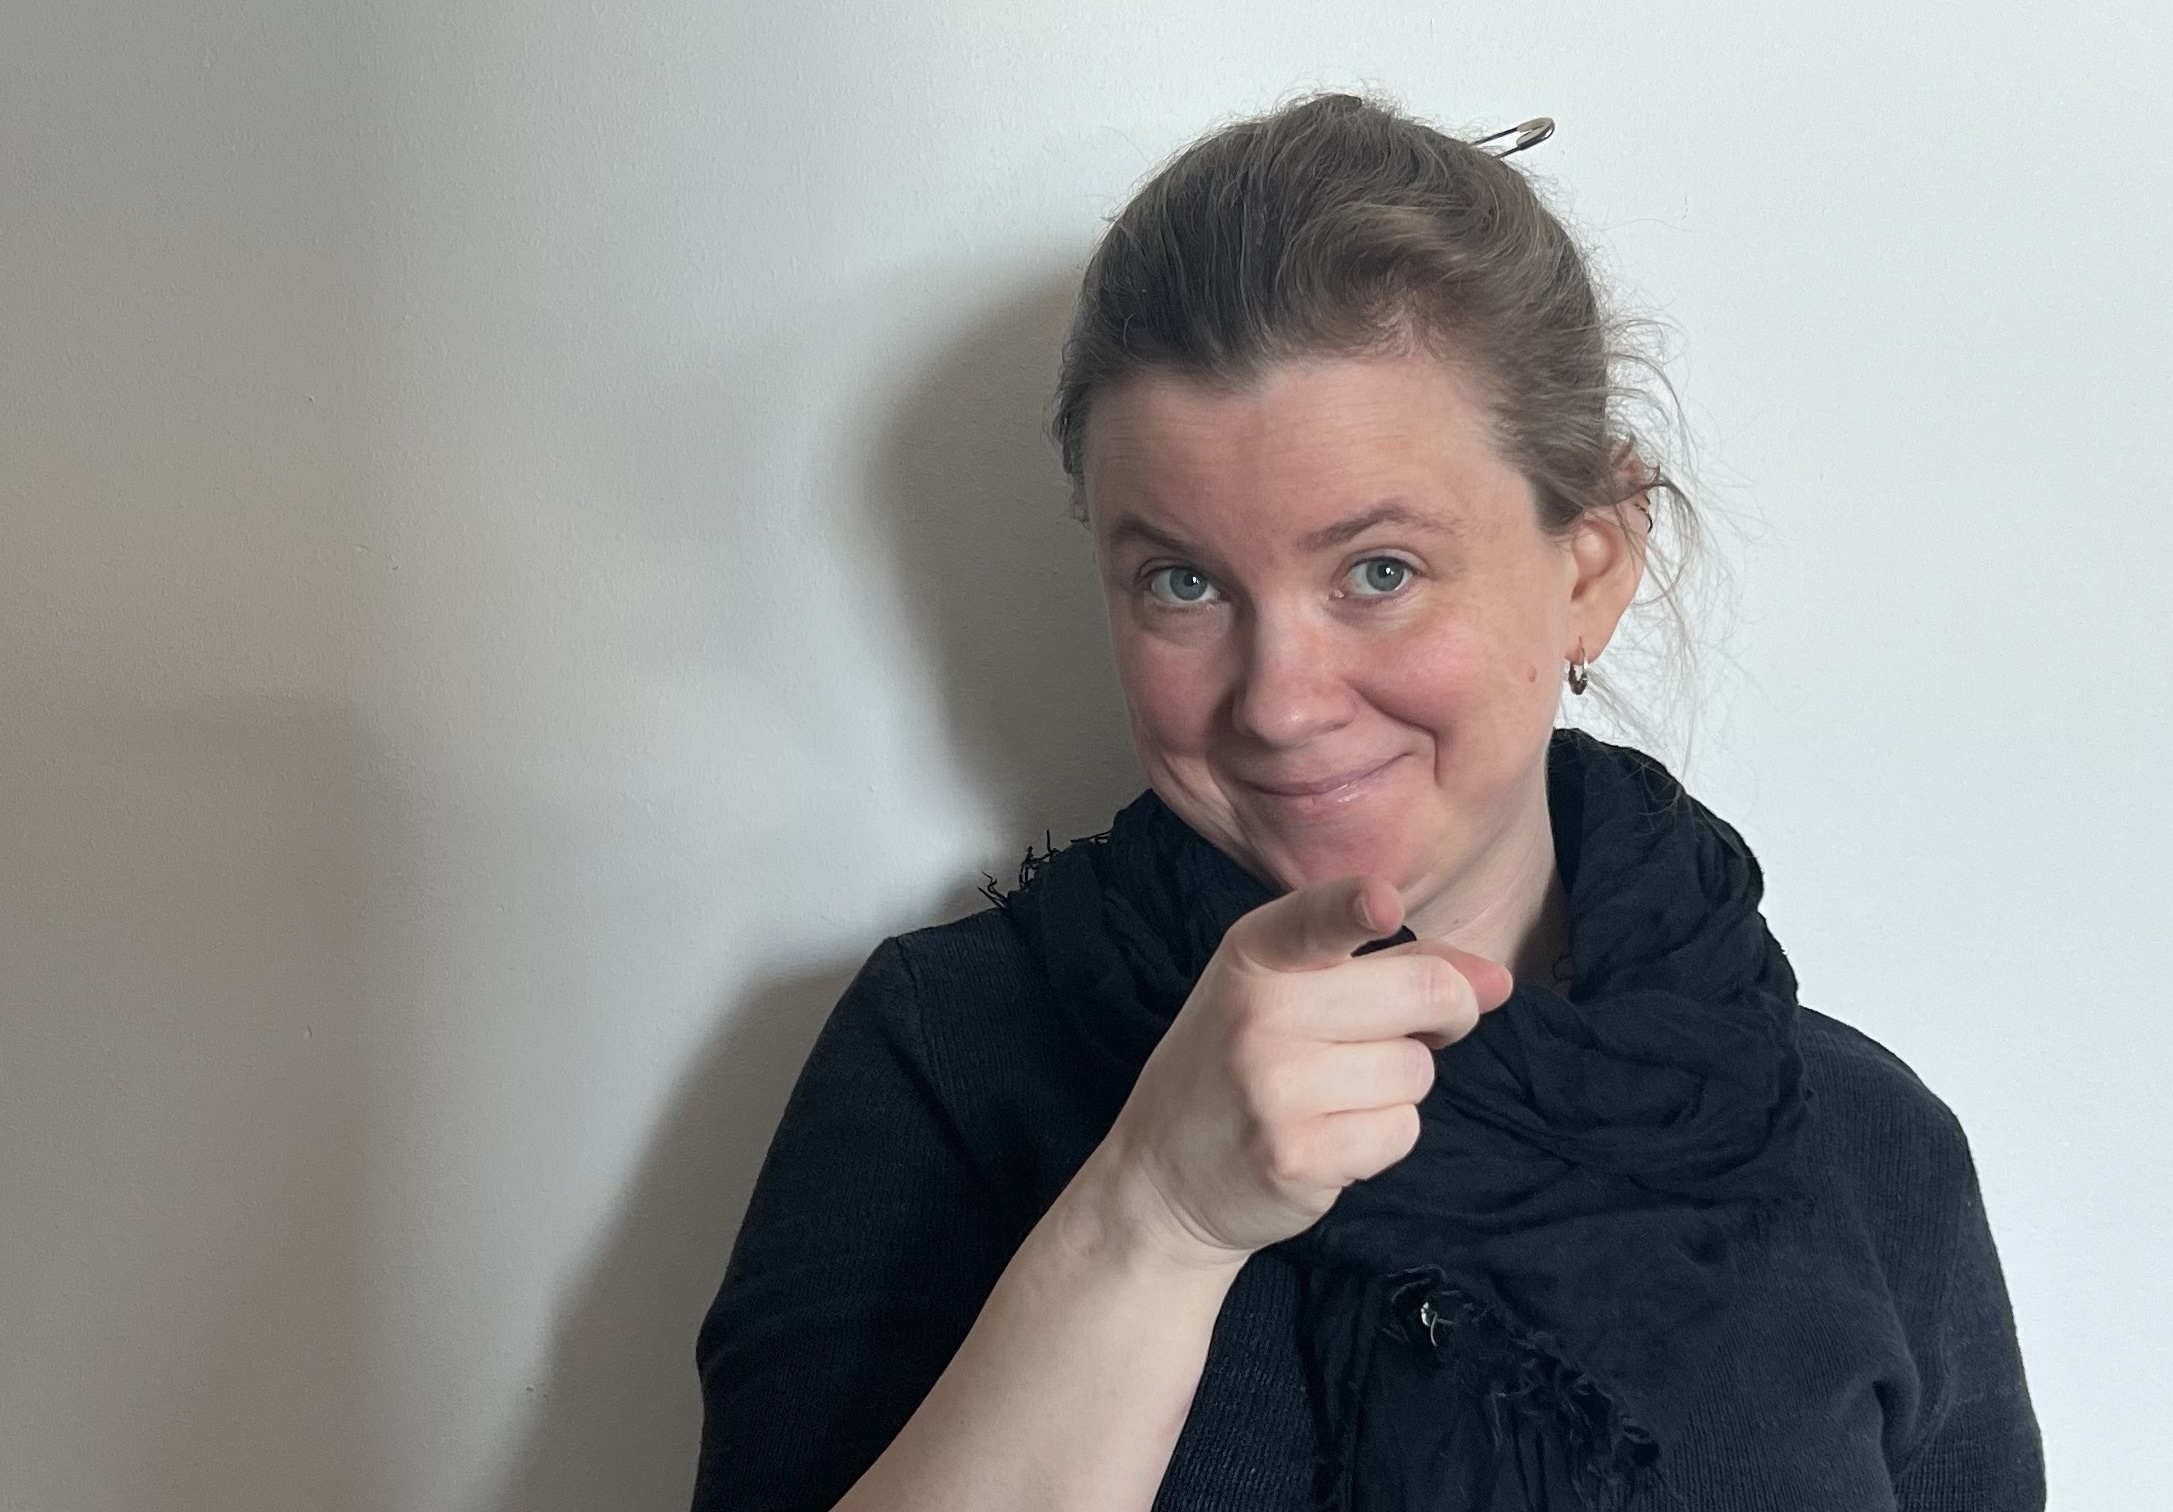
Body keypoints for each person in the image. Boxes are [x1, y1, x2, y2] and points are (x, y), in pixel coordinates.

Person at [690, 92, 2047, 1512]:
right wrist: (1153, 1215)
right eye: (1184, 582)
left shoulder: (1863, 1145)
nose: (1278, 699)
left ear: (1589, 564)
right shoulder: (950, 1061)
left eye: (1379, 571)